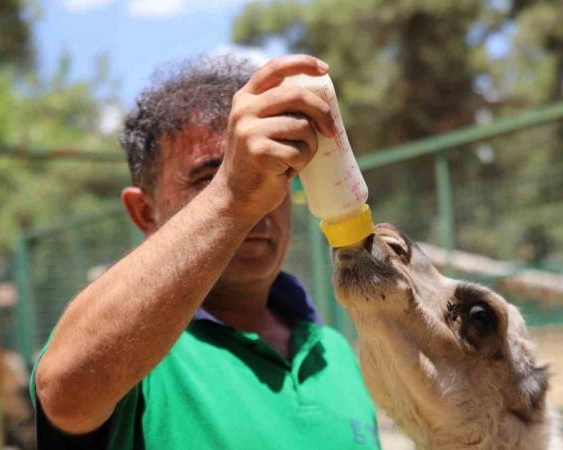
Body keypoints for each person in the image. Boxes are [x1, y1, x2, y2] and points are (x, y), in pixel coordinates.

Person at [30, 54, 381, 449]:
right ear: (145, 211)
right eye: (207, 178)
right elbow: (63, 390)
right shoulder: (133, 352)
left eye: (272, 170)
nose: (259, 197)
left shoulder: (335, 353)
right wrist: (232, 195)